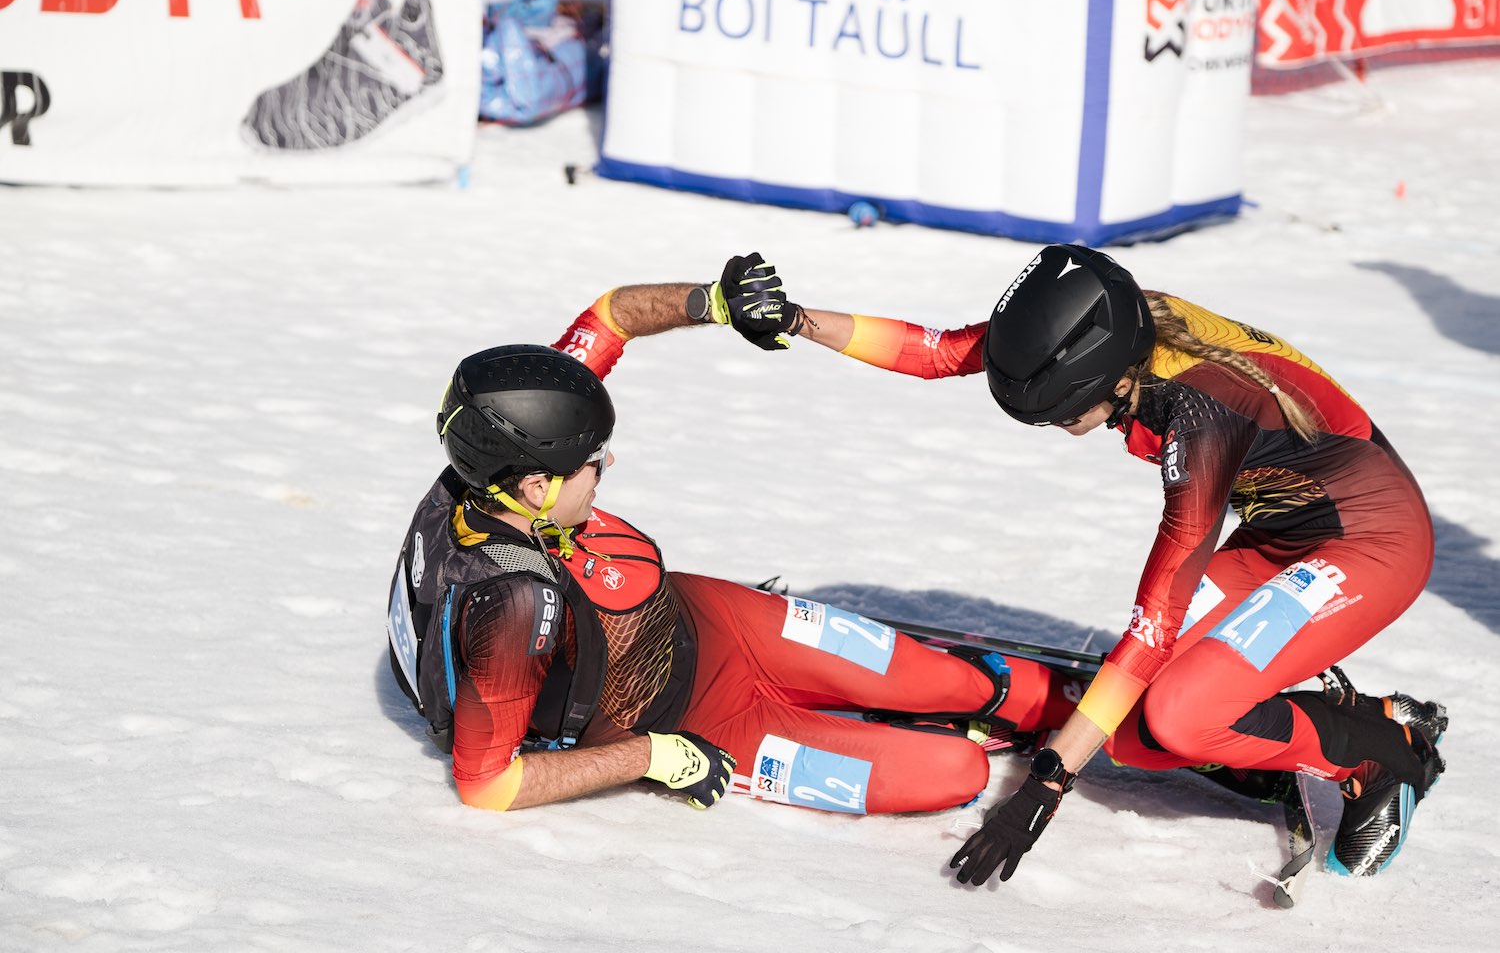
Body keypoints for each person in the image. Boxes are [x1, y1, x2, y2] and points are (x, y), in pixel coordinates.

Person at [738, 243, 1448, 882]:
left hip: (1371, 540)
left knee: (1180, 712)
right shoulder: (1098, 332)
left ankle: (1379, 756)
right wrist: (796, 320)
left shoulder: (1200, 416)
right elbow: (939, 351)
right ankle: (1336, 715)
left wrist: (1044, 787)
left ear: (1107, 382)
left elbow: (1154, 623)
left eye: (1058, 413)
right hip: (1287, 527)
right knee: (1137, 738)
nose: (1053, 427)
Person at [384, 255, 1087, 817]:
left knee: (948, 679)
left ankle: (1010, 705)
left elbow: (612, 316)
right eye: (590, 462)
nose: (606, 465)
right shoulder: (511, 608)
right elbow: (489, 785)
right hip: (705, 727)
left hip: (716, 619)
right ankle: (911, 723)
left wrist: (714, 301)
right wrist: (651, 759)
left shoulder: (497, 453)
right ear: (534, 488)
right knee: (952, 774)